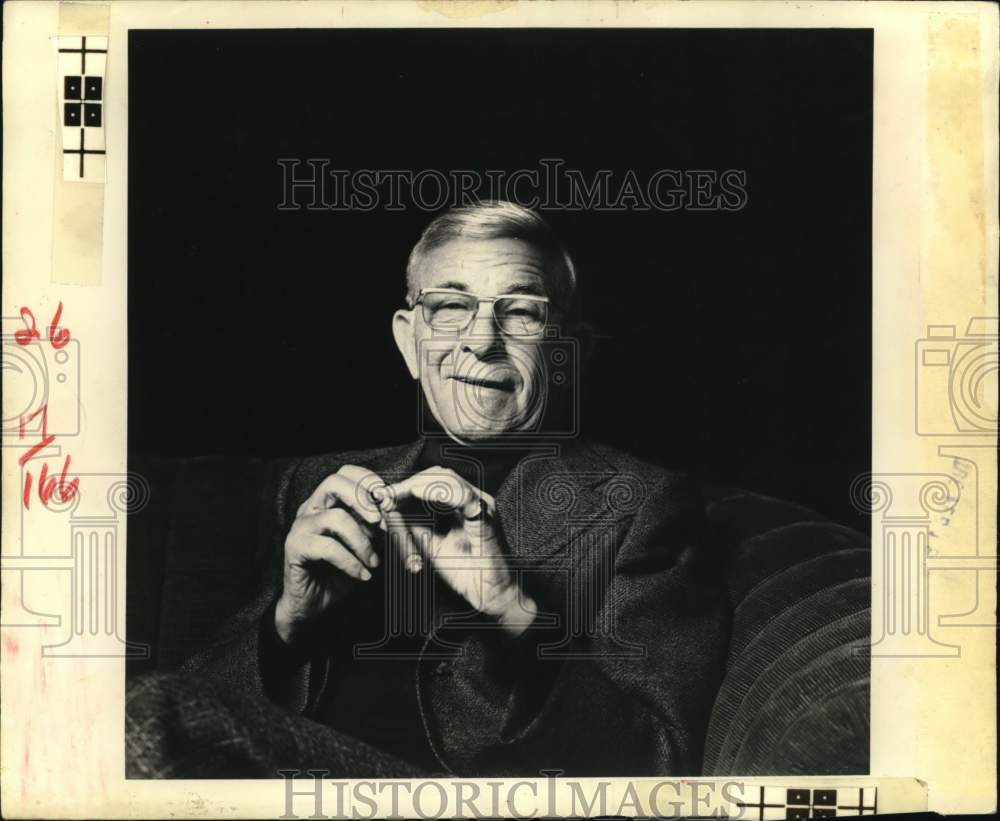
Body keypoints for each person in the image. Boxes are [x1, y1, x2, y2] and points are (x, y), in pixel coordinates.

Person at [126, 201, 729, 779]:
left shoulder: (643, 505)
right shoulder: (316, 488)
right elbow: (196, 718)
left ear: (570, 351)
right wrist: (285, 626)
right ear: (410, 341)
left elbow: (657, 763)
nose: (481, 341)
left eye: (521, 312)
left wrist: (513, 611)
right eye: (450, 308)